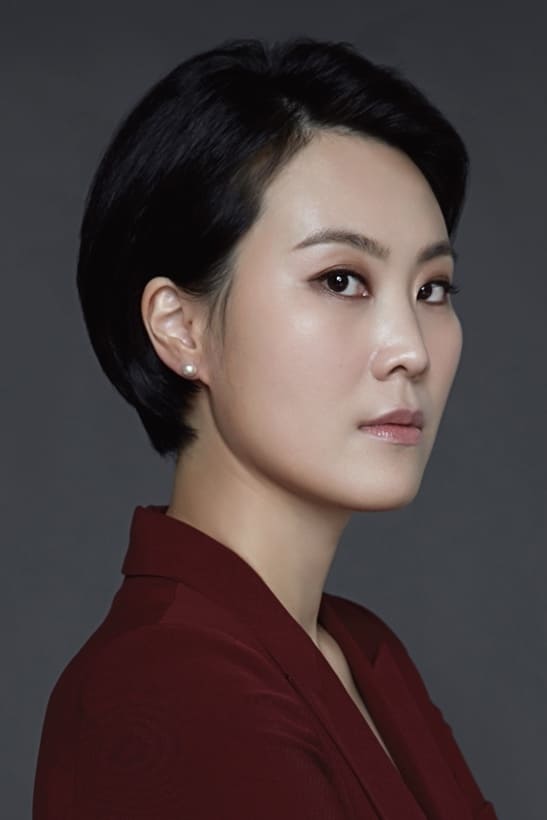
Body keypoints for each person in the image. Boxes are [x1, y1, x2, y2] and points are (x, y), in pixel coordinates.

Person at [33, 36, 498, 819]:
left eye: (432, 289)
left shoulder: (361, 650)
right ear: (180, 327)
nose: (411, 350)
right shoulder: (170, 687)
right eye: (340, 279)